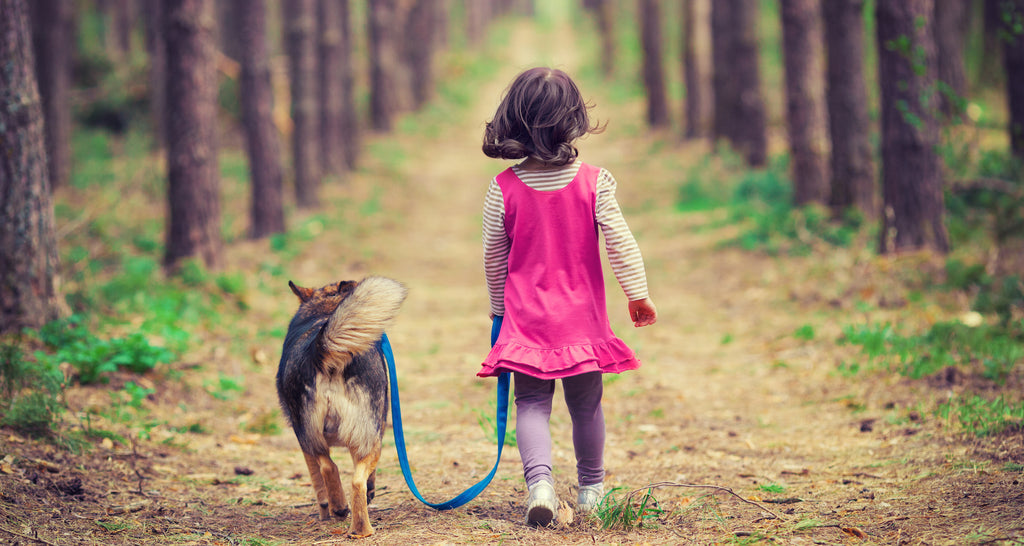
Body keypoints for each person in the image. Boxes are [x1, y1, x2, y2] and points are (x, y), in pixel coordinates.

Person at [478, 67, 658, 527]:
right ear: (572, 120)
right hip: (582, 321)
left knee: (532, 404)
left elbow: (494, 258)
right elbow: (620, 241)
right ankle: (592, 490)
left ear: (512, 121)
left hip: (527, 321)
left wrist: (499, 310)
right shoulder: (596, 182)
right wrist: (637, 293)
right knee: (586, 405)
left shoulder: (503, 189)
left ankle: (539, 484)